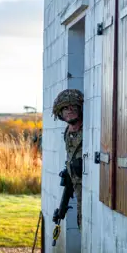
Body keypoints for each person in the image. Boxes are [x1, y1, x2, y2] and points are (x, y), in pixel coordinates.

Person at [52, 89, 84, 229]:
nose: (69, 110)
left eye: (73, 107)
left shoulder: (88, 130)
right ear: (59, 112)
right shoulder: (67, 133)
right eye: (65, 108)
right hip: (77, 190)